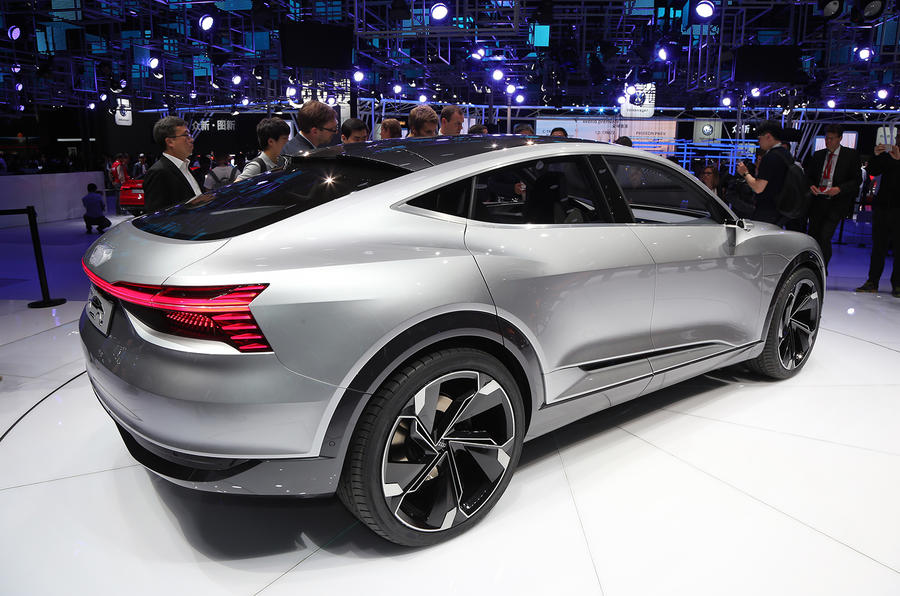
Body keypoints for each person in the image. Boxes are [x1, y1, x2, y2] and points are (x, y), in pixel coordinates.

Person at [804, 124, 862, 270]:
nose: (828, 141)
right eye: (826, 138)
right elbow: (808, 176)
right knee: (813, 236)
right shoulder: (818, 155)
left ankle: (822, 268)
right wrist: (811, 185)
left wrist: (839, 189)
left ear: (840, 138)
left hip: (836, 203)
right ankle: (812, 266)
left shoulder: (850, 155)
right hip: (817, 201)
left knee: (825, 236)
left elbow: (857, 180)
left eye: (831, 138)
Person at [856, 143, 900, 296]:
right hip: (883, 207)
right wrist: (876, 155)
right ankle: (872, 281)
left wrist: (898, 161)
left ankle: (898, 284)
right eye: (898, 135)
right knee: (878, 247)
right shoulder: (887, 156)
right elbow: (872, 171)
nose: (898, 138)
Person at [735, 121, 791, 225]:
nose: (758, 142)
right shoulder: (786, 155)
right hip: (783, 209)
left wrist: (745, 173)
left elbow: (758, 188)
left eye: (759, 139)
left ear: (768, 136)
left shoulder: (770, 157)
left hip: (767, 210)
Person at [143, 116, 202, 212]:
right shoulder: (159, 172)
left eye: (190, 135)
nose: (192, 140)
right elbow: (156, 215)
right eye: (186, 135)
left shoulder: (185, 167)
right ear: (170, 142)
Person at [237, 117, 291, 182]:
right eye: (284, 138)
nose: (288, 141)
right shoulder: (256, 166)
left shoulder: (284, 161)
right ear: (271, 141)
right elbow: (236, 187)